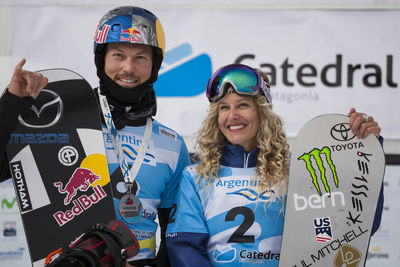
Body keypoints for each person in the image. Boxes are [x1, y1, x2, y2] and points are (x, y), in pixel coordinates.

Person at [0, 6, 191, 267]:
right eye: (118, 55)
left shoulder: (171, 143)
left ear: (155, 65)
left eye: (140, 58)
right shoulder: (60, 122)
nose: (128, 68)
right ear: (101, 59)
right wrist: (11, 105)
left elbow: (177, 231)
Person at [165, 64, 384, 266]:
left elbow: (356, 228)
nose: (232, 116)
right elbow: (185, 248)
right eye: (224, 107)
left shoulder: (299, 172)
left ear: (263, 112)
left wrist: (365, 150)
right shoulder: (196, 177)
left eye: (243, 105)